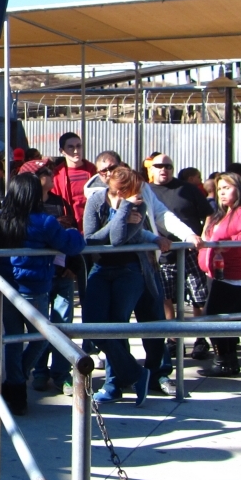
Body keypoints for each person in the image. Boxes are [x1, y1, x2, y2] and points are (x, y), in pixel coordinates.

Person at [0, 173, 85, 415]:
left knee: (12, 338)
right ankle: (17, 381)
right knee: (42, 337)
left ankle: (15, 387)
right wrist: (73, 230)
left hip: (6, 286)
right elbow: (71, 245)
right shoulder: (45, 222)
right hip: (35, 287)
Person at [83, 166, 170, 405]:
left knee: (116, 324)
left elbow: (119, 240)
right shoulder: (97, 200)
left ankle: (113, 383)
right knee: (93, 325)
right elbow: (90, 238)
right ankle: (134, 374)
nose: (130, 195)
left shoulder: (137, 203)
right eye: (123, 190)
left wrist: (124, 214)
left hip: (130, 270)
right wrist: (121, 214)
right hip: (101, 268)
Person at [197, 173, 241, 376]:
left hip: (232, 276)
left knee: (214, 319)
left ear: (239, 189)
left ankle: (223, 361)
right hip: (218, 275)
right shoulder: (224, 213)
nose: (222, 192)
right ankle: (228, 360)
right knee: (222, 319)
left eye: (227, 187)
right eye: (220, 189)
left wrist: (231, 242)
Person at [147, 154, 214, 361]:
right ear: (151, 168)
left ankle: (201, 339)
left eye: (168, 166)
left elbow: (209, 213)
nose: (163, 169)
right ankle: (174, 339)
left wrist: (203, 236)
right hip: (163, 253)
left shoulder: (188, 189)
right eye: (158, 166)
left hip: (190, 251)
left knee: (198, 296)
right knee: (166, 297)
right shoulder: (146, 190)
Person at [24, 160, 79, 395]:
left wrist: (73, 265)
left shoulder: (60, 203)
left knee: (63, 323)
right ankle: (39, 371)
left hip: (62, 273)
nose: (52, 176)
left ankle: (61, 373)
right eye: (46, 173)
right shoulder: (27, 207)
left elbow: (73, 234)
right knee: (40, 327)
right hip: (39, 276)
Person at [52, 133, 98, 230]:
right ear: (62, 151)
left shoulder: (94, 170)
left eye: (78, 146)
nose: (76, 151)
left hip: (93, 225)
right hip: (68, 228)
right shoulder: (56, 175)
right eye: (70, 147)